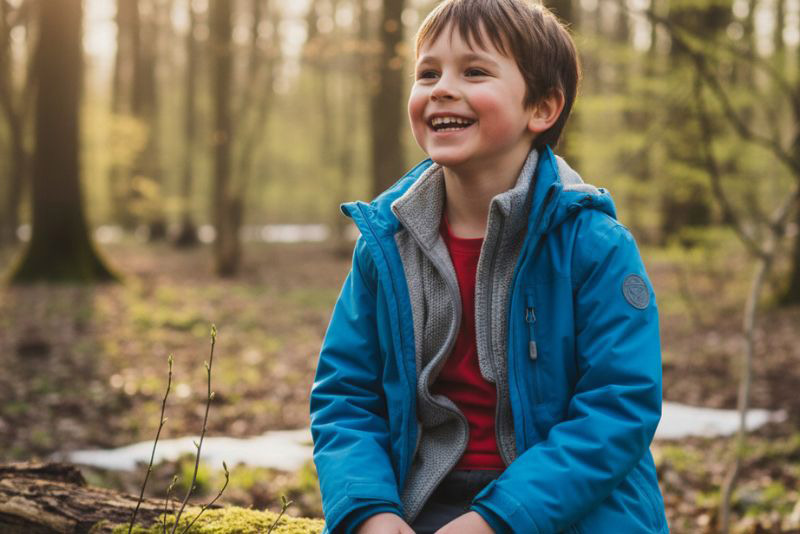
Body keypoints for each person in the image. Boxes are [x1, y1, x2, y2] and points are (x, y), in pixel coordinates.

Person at [310, 0, 668, 532]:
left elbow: (618, 409)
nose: (441, 88)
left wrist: (498, 519)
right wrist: (370, 511)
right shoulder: (386, 245)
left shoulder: (592, 243)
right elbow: (345, 395)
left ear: (541, 109)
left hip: (574, 508)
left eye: (474, 71)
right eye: (427, 72)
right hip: (421, 499)